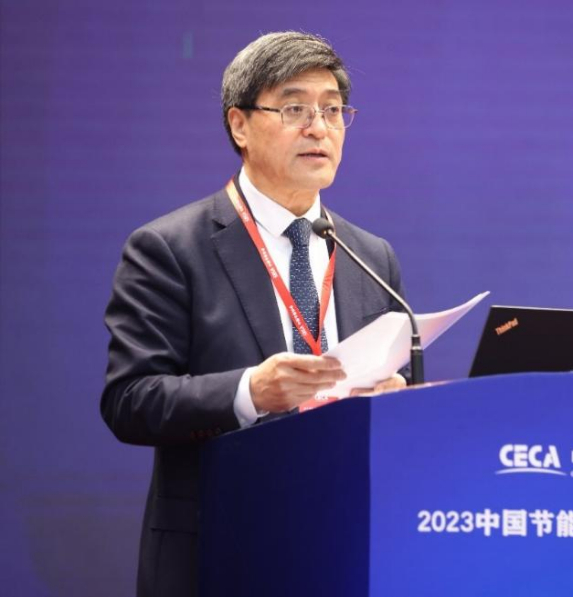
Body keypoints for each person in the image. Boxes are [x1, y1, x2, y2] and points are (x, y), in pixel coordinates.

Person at [101, 31, 407, 597]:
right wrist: (251, 392)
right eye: (294, 108)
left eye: (332, 110)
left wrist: (393, 400)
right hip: (221, 548)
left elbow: (395, 389)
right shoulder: (169, 248)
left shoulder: (371, 255)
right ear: (239, 125)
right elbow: (130, 401)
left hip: (346, 546)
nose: (319, 127)